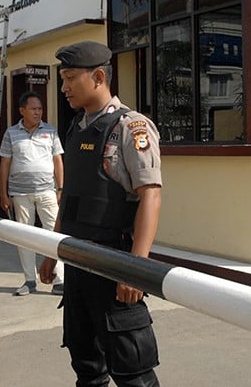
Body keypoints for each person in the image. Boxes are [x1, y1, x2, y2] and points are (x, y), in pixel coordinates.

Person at [40, 41, 163, 386]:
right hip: (79, 264)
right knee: (88, 368)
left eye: (69, 78)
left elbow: (151, 195)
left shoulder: (131, 127)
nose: (63, 88)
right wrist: (53, 251)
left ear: (97, 77)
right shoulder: (77, 129)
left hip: (114, 264)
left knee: (133, 372)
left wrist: (135, 268)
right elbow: (69, 200)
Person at [0, 90, 66, 296]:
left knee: (54, 235)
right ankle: (29, 280)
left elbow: (57, 161)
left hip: (47, 191)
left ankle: (59, 280)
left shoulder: (51, 131)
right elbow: (5, 164)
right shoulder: (11, 133)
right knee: (24, 236)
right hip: (20, 193)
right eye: (33, 109)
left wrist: (61, 188)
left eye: (40, 109)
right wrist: (3, 193)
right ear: (22, 110)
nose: (38, 112)